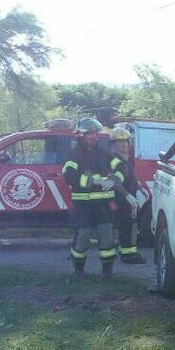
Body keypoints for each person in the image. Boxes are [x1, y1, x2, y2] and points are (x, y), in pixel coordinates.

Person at [62, 118, 118, 277]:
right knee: (83, 237)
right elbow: (69, 176)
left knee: (106, 237)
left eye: (94, 133)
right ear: (80, 135)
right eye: (89, 134)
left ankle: (107, 271)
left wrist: (116, 178)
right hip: (83, 205)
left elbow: (120, 166)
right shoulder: (73, 154)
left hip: (103, 205)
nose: (93, 137)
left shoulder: (104, 153)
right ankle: (78, 270)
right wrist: (92, 181)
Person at [108, 126, 147, 264]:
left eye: (126, 141)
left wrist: (140, 188)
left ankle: (129, 252)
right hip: (122, 199)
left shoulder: (125, 158)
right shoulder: (115, 160)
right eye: (120, 141)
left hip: (130, 196)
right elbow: (116, 181)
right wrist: (126, 196)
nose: (124, 144)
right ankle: (128, 255)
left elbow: (130, 176)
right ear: (113, 144)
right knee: (127, 226)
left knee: (131, 225)